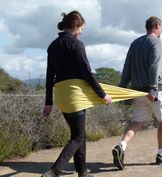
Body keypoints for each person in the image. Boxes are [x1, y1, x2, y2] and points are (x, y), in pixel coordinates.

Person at [42, 10, 112, 177]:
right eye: (81, 29)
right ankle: (55, 170)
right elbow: (87, 72)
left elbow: (49, 76)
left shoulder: (52, 46)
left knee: (78, 134)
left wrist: (48, 102)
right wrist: (103, 94)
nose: (81, 32)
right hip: (75, 94)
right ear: (76, 26)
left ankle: (82, 171)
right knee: (78, 137)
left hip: (61, 95)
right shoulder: (76, 43)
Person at [112, 16, 162, 170]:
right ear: (158, 26)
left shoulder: (135, 43)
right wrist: (153, 88)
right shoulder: (157, 42)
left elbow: (127, 66)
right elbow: (154, 66)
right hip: (154, 90)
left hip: (136, 91)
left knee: (137, 122)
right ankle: (161, 154)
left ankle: (122, 145)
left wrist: (123, 88)